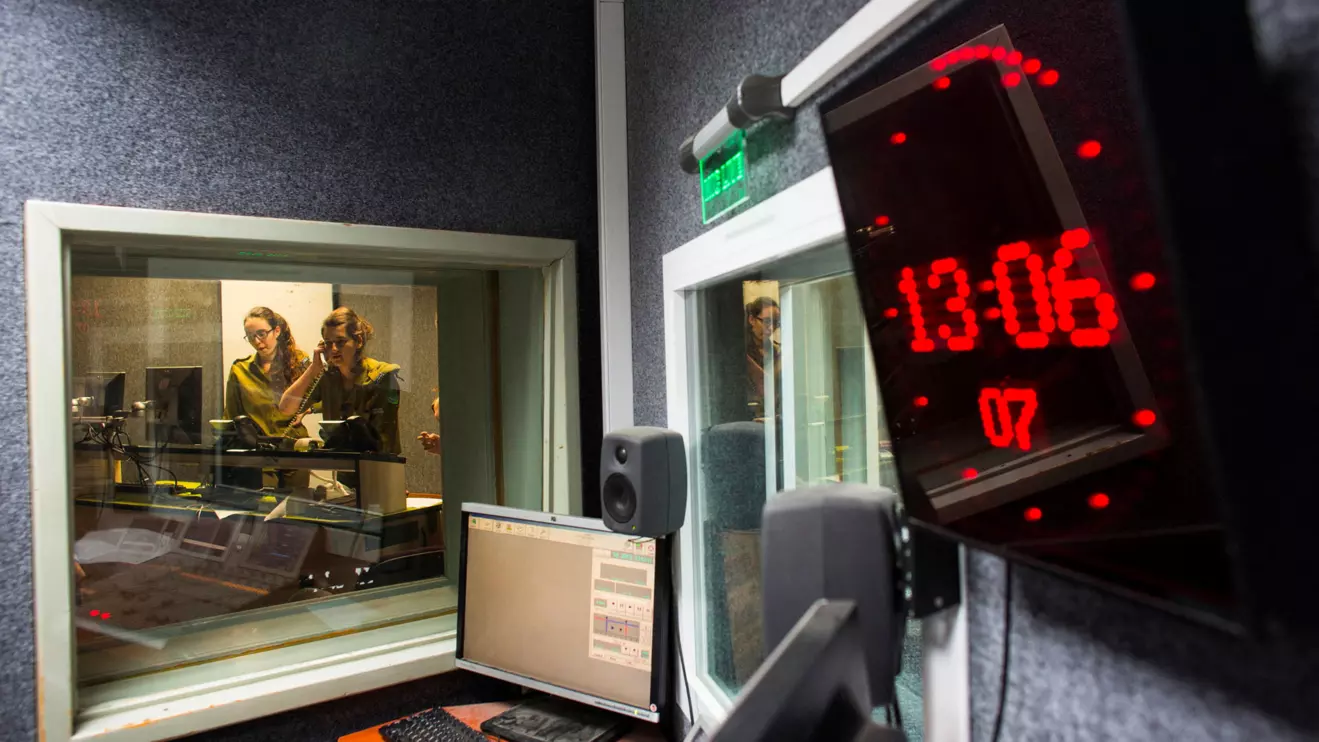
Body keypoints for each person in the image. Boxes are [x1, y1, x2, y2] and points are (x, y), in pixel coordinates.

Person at [279, 307, 402, 455]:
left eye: (341, 342)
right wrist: (313, 368)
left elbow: (383, 438)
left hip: (377, 462)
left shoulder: (382, 376)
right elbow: (286, 408)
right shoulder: (327, 376)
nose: (334, 349)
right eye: (328, 343)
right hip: (340, 462)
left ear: (358, 341)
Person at [226, 307, 312, 488]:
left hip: (294, 447)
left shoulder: (299, 361)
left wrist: (308, 410)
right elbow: (232, 415)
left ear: (277, 331)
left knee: (297, 502)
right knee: (264, 501)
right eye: (250, 336)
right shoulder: (240, 369)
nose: (257, 341)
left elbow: (323, 394)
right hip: (259, 452)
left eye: (262, 334)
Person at [745, 296, 782, 418]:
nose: (771, 328)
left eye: (776, 323)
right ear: (752, 319)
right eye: (766, 322)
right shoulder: (742, 351)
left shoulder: (775, 351)